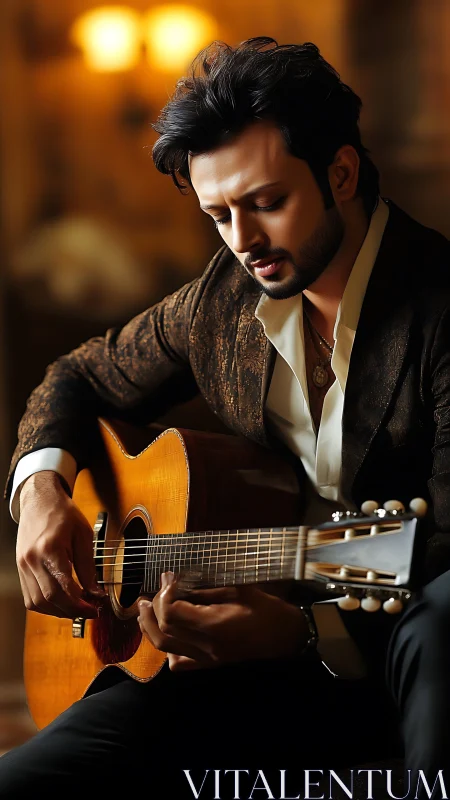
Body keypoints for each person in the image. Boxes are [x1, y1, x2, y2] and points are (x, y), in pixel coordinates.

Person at [1, 36, 450, 799]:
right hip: (235, 664)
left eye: (266, 203)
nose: (243, 242)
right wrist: (40, 494)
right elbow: (76, 376)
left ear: (341, 172)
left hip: (405, 645)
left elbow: (438, 551)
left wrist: (310, 631)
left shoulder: (440, 309)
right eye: (219, 215)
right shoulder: (224, 301)